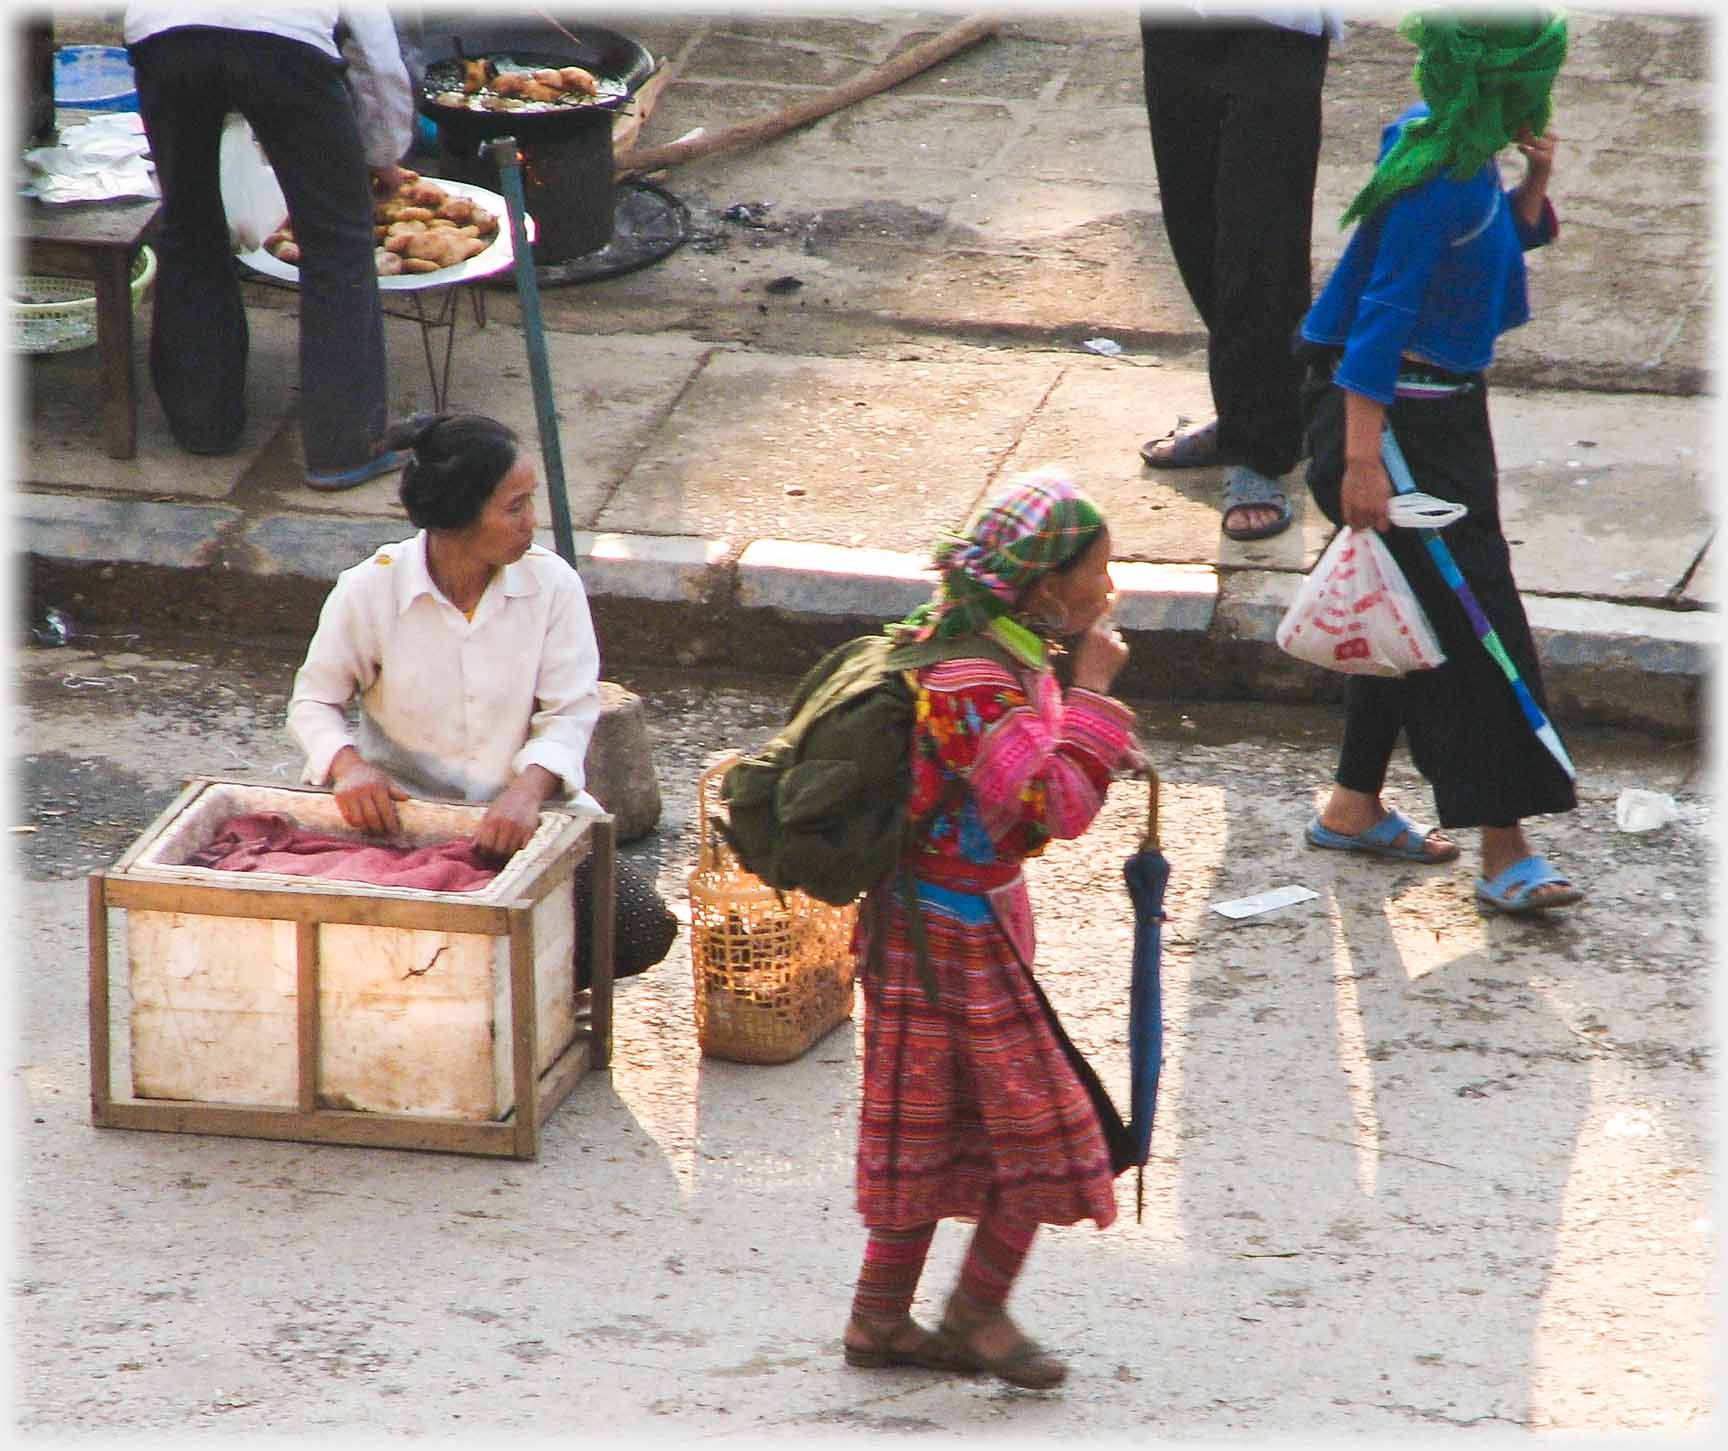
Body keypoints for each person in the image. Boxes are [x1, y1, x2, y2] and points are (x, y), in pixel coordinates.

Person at [841, 467, 1137, 1391]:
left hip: (967, 924)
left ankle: (883, 1318)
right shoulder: (970, 672)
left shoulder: (992, 643)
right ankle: (966, 1314)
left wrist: (1080, 710)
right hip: (942, 938)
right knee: (1047, 1133)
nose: (1110, 588)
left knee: (941, 1125)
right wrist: (1092, 694)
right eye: (1097, 570)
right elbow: (1051, 798)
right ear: (1047, 586)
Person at [1295, 10, 1581, 915]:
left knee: (1405, 607)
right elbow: (1379, 320)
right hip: (1394, 429)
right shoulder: (1438, 183)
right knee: (1471, 625)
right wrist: (1362, 463)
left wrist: (1533, 183)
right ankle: (1506, 849)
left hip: (1443, 418)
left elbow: (1490, 246)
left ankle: (1351, 804)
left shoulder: (1439, 145)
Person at [287, 411, 675, 979]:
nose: (530, 523)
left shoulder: (553, 587)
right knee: (360, 944)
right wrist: (348, 768)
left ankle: (529, 1000)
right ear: (458, 521)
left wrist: (526, 792)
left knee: (638, 927)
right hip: (401, 824)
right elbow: (313, 702)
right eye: (514, 508)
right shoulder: (369, 590)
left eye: (529, 502)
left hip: (526, 822)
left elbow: (569, 713)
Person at [124, 4, 414, 490]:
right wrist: (384, 152)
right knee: (338, 244)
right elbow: (378, 55)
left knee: (188, 224)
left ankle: (203, 423)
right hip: (286, 44)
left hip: (164, 39)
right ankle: (344, 448)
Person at [1137, 6, 1336, 542]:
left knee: (1260, 244)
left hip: (1276, 30)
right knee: (1195, 227)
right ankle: (1254, 409)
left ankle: (1258, 451)